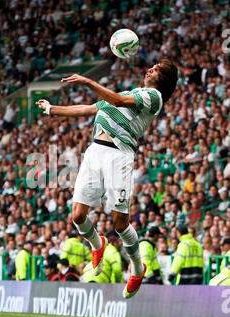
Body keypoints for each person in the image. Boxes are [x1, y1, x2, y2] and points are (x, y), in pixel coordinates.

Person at [36, 58, 178, 298]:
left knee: (120, 223)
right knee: (78, 216)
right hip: (94, 152)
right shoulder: (126, 93)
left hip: (119, 155)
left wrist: (89, 81)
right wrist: (52, 109)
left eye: (158, 69)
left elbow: (118, 101)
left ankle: (136, 268)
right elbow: (89, 108)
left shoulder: (153, 97)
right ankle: (97, 244)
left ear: (163, 79)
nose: (151, 68)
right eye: (152, 66)